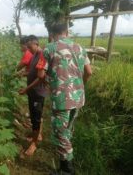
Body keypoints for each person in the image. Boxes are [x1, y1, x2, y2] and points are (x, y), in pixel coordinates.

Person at [43, 23, 92, 175]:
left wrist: (49, 81)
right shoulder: (80, 48)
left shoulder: (49, 48)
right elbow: (89, 72)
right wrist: (78, 86)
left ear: (52, 33)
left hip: (62, 99)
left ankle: (67, 170)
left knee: (60, 132)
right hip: (78, 98)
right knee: (68, 129)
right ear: (67, 32)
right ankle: (65, 163)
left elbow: (40, 74)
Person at [18, 35, 48, 156]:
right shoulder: (34, 55)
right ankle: (36, 135)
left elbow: (41, 77)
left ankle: (34, 143)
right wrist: (24, 74)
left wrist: (26, 88)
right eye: (27, 47)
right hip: (32, 92)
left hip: (38, 92)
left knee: (37, 117)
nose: (28, 50)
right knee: (34, 116)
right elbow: (32, 72)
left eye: (30, 46)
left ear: (36, 44)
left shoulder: (42, 55)